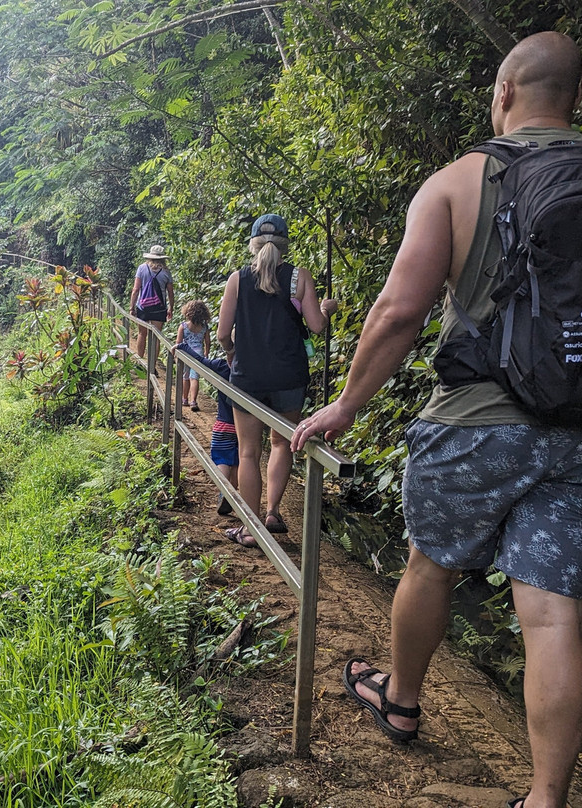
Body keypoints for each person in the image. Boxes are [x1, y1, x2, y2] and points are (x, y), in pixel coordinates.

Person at [291, 32, 582, 808]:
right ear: (574, 102)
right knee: (553, 614)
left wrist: (347, 405)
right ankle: (547, 797)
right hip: (576, 435)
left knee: (431, 562)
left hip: (475, 423)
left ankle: (400, 699)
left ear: (504, 93)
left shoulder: (458, 182)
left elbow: (398, 312)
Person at [216, 214, 336, 545]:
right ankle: (272, 512)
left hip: (247, 378)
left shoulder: (237, 280)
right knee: (281, 443)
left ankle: (251, 529)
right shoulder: (300, 278)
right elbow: (316, 326)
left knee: (249, 452)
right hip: (289, 377)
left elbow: (223, 333)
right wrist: (326, 309)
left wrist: (231, 353)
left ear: (253, 245)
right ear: (285, 245)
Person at [175, 341, 240, 522]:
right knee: (237, 462)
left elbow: (200, 361)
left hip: (223, 424)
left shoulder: (224, 365)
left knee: (221, 458)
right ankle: (232, 495)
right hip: (244, 428)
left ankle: (224, 492)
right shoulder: (254, 371)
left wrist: (183, 346)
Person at [129, 245, 175, 357]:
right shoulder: (166, 272)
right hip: (159, 308)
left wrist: (132, 307)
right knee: (156, 338)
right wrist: (170, 308)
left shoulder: (142, 268)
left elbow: (135, 289)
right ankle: (152, 366)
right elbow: (170, 292)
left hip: (143, 307)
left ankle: (139, 361)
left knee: (141, 334)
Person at [175, 300, 211, 410]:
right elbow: (207, 342)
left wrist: (176, 356)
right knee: (194, 377)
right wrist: (206, 353)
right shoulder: (204, 327)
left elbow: (178, 343)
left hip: (186, 353)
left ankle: (184, 399)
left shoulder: (184, 326)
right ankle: (193, 401)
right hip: (198, 353)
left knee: (185, 377)